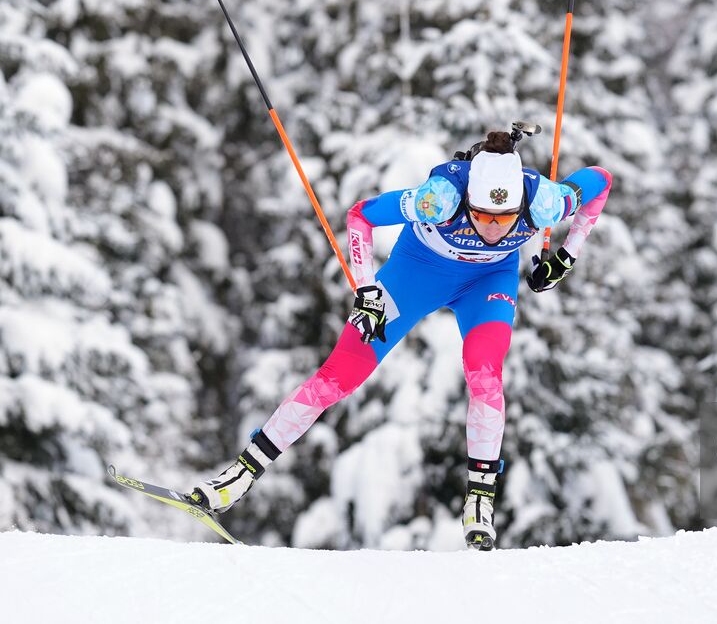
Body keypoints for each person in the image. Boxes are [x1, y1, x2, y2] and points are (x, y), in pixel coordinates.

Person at [186, 127, 612, 551]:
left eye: (505, 219)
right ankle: (239, 476)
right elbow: (360, 215)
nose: (494, 230)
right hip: (416, 275)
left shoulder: (545, 202)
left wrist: (566, 256)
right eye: (482, 216)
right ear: (468, 202)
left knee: (485, 375)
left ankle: (480, 500)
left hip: (487, 282)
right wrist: (367, 289)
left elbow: (600, 180)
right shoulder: (439, 198)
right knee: (338, 377)